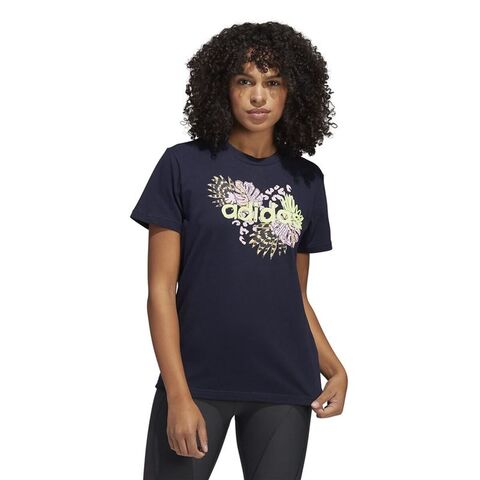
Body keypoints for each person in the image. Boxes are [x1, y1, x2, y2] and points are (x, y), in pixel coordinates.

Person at [130, 21, 348, 480]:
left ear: (293, 92)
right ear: (222, 88)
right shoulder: (182, 166)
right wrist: (178, 394)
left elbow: (295, 296)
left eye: (274, 83)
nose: (258, 97)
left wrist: (335, 369)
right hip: (198, 382)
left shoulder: (307, 181)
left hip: (285, 386)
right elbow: (160, 291)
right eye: (245, 81)